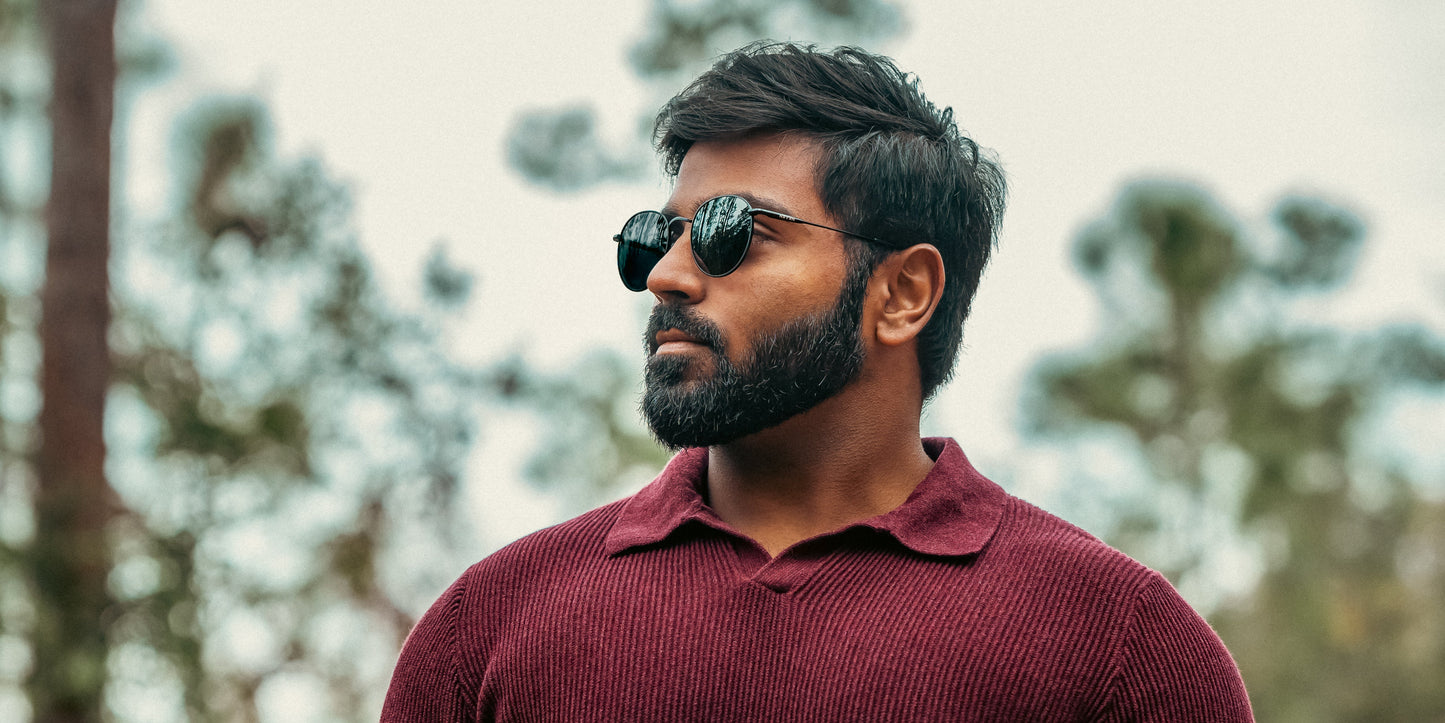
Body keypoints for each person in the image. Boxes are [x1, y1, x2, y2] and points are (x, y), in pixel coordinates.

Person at [382, 42, 1252, 722]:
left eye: (732, 233)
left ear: (903, 292)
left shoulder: (1117, 645)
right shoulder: (489, 627)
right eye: (657, 235)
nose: (668, 276)